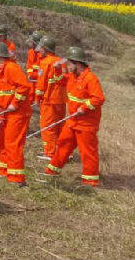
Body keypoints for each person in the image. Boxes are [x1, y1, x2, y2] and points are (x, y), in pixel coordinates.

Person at [43, 47, 105, 186]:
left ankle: (90, 182)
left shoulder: (90, 78)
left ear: (77, 63)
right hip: (73, 120)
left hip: (86, 123)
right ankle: (52, 171)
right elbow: (60, 79)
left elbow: (98, 98)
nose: (67, 66)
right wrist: (58, 67)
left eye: (69, 63)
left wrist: (84, 107)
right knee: (63, 144)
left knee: (87, 152)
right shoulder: (72, 76)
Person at [0, 41, 33, 186]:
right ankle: (6, 172)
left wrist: (14, 103)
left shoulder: (11, 68)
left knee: (13, 144)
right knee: (3, 142)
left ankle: (17, 179)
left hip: (18, 114)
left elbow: (24, 87)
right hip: (7, 113)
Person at [35, 36, 65, 160]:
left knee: (47, 126)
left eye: (41, 47)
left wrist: (37, 98)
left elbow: (41, 84)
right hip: (61, 100)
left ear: (46, 49)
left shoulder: (45, 62)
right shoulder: (59, 61)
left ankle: (50, 152)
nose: (39, 49)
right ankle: (61, 151)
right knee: (59, 125)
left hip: (49, 99)